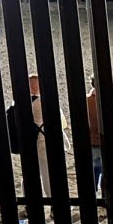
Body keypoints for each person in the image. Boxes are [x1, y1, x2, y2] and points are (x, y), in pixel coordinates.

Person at [31, 73, 71, 201]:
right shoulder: (44, 101)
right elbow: (61, 121)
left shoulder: (21, 102)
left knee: (30, 172)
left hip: (32, 140)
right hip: (45, 141)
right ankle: (52, 200)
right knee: (48, 173)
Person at [86, 76, 113, 194]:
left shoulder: (86, 99)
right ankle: (105, 198)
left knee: (93, 171)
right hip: (108, 141)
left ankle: (92, 198)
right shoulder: (111, 99)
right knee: (108, 172)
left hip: (91, 141)